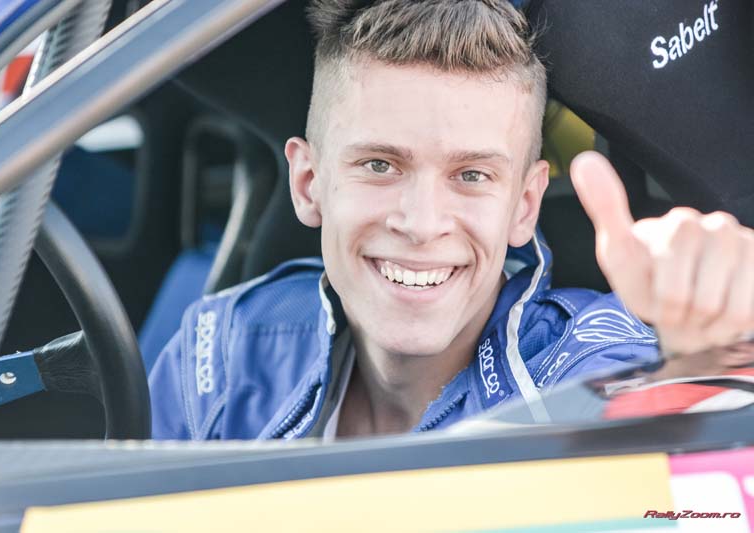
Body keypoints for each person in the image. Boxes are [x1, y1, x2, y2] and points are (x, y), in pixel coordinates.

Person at [148, 0, 754, 440]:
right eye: (380, 165)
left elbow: (677, 501)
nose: (421, 223)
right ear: (309, 184)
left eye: (471, 175)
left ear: (524, 206)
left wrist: (707, 363)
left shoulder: (582, 377)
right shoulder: (218, 354)